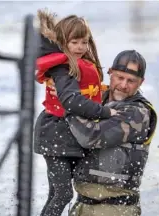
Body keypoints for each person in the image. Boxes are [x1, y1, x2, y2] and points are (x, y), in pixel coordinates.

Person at [33, 10, 117, 216]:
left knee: (57, 192)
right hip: (54, 135)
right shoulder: (61, 68)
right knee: (63, 194)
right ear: (63, 42)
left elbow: (85, 92)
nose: (80, 47)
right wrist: (105, 112)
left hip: (68, 135)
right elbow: (71, 101)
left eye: (84, 42)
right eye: (74, 42)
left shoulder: (76, 65)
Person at [64, 50, 158, 216]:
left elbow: (90, 136)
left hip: (116, 208)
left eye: (131, 81)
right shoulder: (95, 99)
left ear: (141, 82)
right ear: (110, 73)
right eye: (119, 77)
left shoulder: (138, 112)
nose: (123, 85)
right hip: (81, 204)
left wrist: (68, 106)